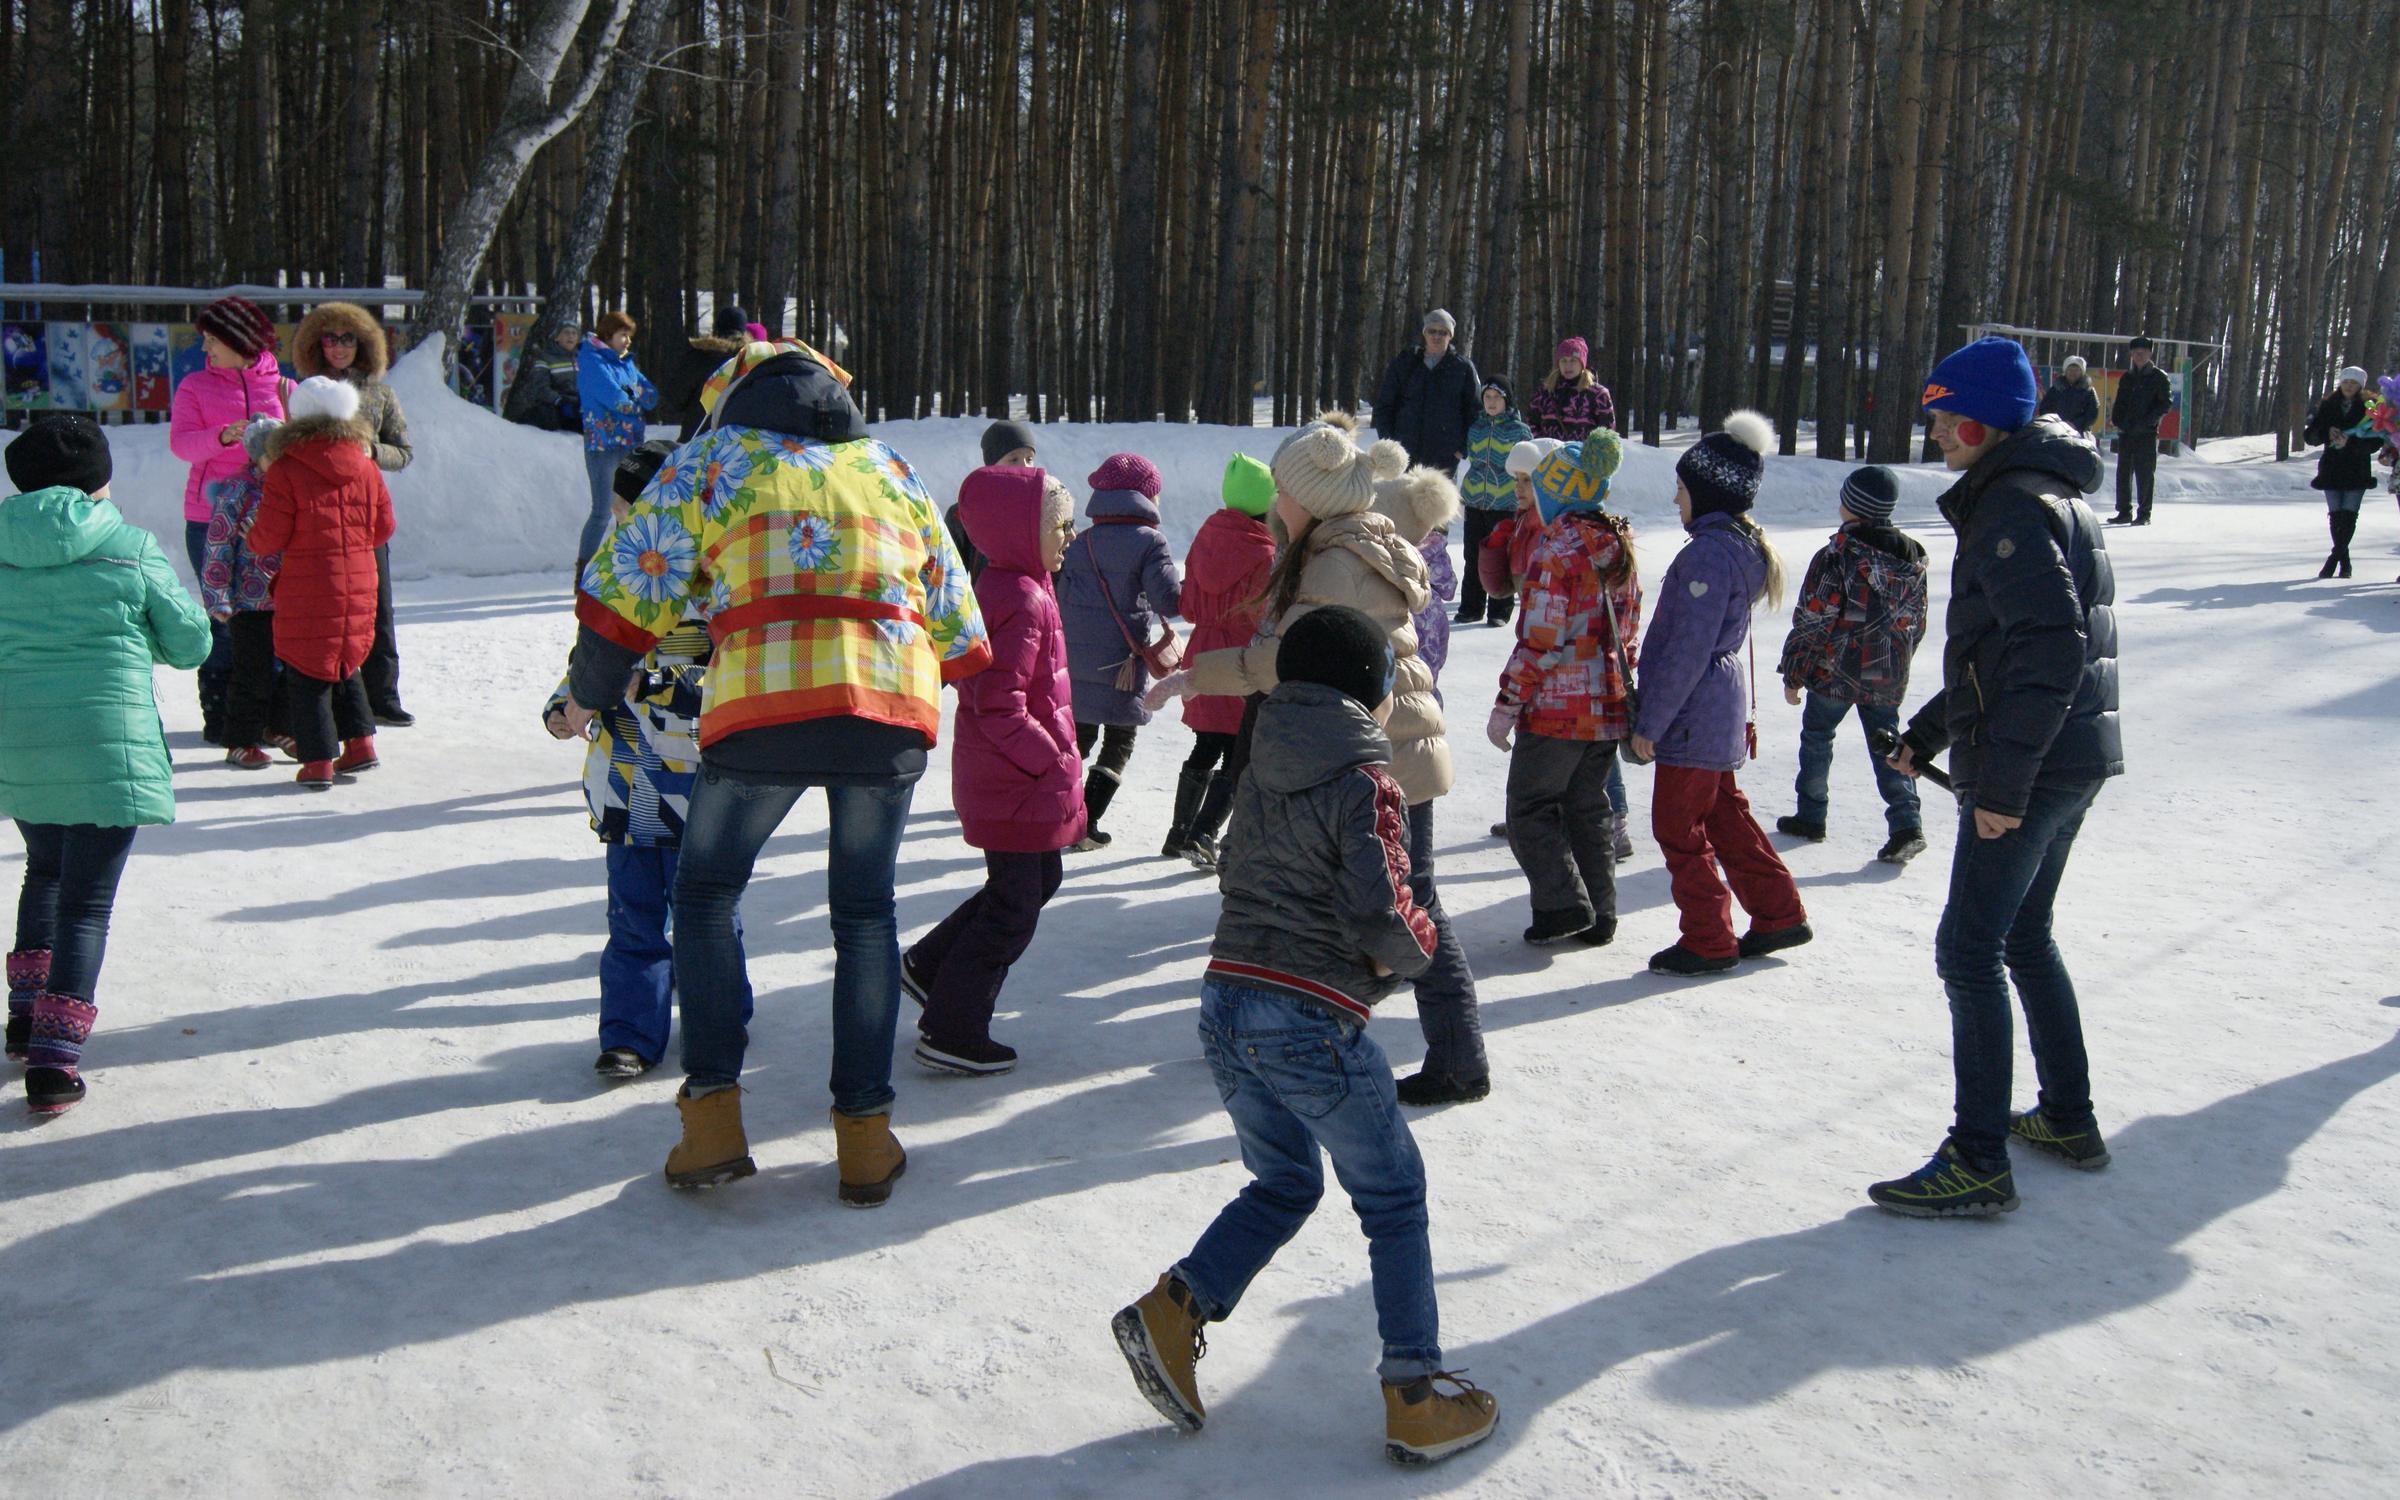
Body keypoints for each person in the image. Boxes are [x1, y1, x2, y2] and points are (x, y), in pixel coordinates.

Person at [562, 338, 988, 1204]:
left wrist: (590, 690)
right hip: (886, 706)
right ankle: (866, 1139)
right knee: (865, 916)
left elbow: (622, 588)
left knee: (707, 893)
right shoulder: (888, 466)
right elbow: (959, 623)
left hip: (766, 702)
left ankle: (713, 1119)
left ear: (737, 395)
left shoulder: (713, 460)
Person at [1111, 605, 1500, 1468]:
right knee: (1392, 1195)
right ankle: (1414, 1394)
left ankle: (1173, 1311)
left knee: (1286, 1182)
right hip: (1308, 1017)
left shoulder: (1261, 766)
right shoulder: (1367, 781)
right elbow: (1383, 908)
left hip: (1227, 999)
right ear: (1369, 694)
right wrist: (1420, 950)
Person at [1151, 413, 1486, 1108]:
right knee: (1358, 900)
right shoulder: (1331, 548)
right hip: (1372, 750)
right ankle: (1310, 1031)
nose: (1275, 499)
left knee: (1408, 901)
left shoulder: (1335, 563)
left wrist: (1197, 673)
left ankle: (1458, 1059)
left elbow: (1285, 659)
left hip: (1385, 754)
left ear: (1309, 497)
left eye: (1283, 488)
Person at [1869, 335, 2121, 1219]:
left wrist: (2004, 788)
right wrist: (1931, 734)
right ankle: (2067, 1116)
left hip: (2039, 765)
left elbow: (2053, 650)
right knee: (2024, 937)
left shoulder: (2013, 505)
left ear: (1983, 420)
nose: (1936, 433)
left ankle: (1977, 1158)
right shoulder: (2041, 490)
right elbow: (2002, 653)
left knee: (1969, 951)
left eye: (1945, 417)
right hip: (2071, 754)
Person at [1, 415, 212, 1113]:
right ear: (98, 480)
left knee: (46, 869)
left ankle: (25, 1017)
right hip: (104, 743)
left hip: (20, 741)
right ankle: (54, 1062)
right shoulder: (128, 547)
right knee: (85, 901)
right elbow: (188, 643)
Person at [543, 441, 751, 1079]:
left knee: (707, 914)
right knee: (632, 917)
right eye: (615, 513)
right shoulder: (613, 581)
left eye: (628, 509)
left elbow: (731, 675)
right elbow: (587, 663)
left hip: (697, 786)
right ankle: (630, 1034)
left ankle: (722, 1013)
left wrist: (657, 687)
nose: (619, 523)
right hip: (624, 786)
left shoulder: (711, 584)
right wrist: (563, 703)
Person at [900, 467, 1083, 1075]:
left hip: (1016, 778)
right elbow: (997, 703)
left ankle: (929, 966)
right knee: (1013, 905)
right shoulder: (1019, 597)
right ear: (1019, 533)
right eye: (1059, 526)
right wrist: (1049, 761)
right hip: (1013, 779)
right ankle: (953, 1027)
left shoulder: (1021, 584)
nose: (1070, 535)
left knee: (1037, 881)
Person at [1630, 409, 1810, 978]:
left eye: (1682, 490)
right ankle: (1778, 912)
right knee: (1724, 813)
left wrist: (1649, 723)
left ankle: (1708, 936)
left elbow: (1686, 650)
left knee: (1677, 825)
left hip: (1693, 710)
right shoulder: (1734, 544)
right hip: (1717, 705)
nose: (1676, 500)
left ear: (1707, 493)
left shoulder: (1707, 553)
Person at [1489, 430, 1639, 947]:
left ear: (1557, 494)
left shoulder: (1558, 549)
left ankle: (1561, 906)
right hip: (1606, 703)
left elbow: (1540, 638)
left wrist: (1507, 703)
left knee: (1529, 808)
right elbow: (1629, 628)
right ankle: (1602, 911)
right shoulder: (1617, 543)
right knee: (1587, 806)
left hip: (1557, 708)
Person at [1773, 464, 1931, 864]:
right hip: (1885, 670)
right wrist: (1898, 660)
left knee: (1817, 737)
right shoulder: (1911, 558)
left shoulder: (1837, 555)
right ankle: (1906, 824)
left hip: (1835, 671)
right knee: (1889, 744)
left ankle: (1812, 814)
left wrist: (1795, 671)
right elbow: (1917, 621)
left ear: (1853, 506)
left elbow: (1814, 618)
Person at [246, 377, 396, 791]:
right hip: (361, 579)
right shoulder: (365, 464)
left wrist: (251, 538)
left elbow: (271, 534)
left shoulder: (288, 467)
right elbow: (384, 527)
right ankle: (361, 743)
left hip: (308, 582)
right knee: (346, 661)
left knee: (307, 670)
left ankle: (316, 762)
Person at [167, 295, 286, 745]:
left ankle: (271, 715)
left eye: (213, 340)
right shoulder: (195, 387)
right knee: (222, 615)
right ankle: (219, 714)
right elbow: (182, 446)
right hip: (208, 517)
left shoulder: (283, 388)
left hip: (269, 517)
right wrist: (222, 435)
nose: (206, 350)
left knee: (268, 613)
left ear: (240, 341)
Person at [293, 302, 414, 727]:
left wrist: (373, 451)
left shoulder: (380, 395)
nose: (339, 347)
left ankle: (383, 695)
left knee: (377, 606)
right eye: (331, 338)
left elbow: (404, 452)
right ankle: (331, 700)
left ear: (363, 344)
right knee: (323, 610)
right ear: (316, 343)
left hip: (365, 514)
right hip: (314, 515)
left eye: (348, 338)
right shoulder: (305, 391)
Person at [1056, 452, 1182, 851]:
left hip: (1075, 658)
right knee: (1120, 740)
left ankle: (1057, 815)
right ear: (1145, 496)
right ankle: (1087, 824)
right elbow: (1169, 602)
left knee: (1078, 738)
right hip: (1121, 664)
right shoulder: (1150, 542)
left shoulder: (1080, 541)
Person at [1165, 453, 1278, 868]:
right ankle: (1204, 833)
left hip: (1203, 651)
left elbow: (1189, 606)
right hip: (1239, 659)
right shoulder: (1266, 552)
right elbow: (1264, 614)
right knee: (1237, 752)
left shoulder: (1204, 537)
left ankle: (1178, 833)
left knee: (1204, 743)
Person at [576, 311, 658, 571]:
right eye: (623, 335)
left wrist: (632, 393)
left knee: (629, 510)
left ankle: (627, 569)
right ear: (608, 334)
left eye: (629, 336)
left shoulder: (626, 363)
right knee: (602, 511)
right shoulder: (591, 359)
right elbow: (614, 399)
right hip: (602, 445)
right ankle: (585, 570)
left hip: (630, 443)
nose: (627, 341)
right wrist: (633, 395)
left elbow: (651, 395)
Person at [1371, 309, 1481, 476]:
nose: (1436, 336)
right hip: (1404, 455)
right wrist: (1390, 442)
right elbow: (1385, 406)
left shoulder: (1463, 368)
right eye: (1432, 331)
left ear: (1450, 336)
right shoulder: (1405, 363)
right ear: (1424, 333)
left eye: (1442, 332)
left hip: (1445, 458)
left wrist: (1462, 448)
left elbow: (1475, 411)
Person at [1456, 377, 1530, 625]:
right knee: (1473, 555)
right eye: (1487, 397)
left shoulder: (1518, 430)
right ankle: (1471, 607)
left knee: (1502, 556)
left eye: (1496, 397)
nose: (1491, 402)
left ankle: (1500, 609)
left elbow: (1526, 466)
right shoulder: (1476, 427)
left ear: (1506, 400)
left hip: (1505, 502)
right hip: (1476, 500)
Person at [2304, 365, 2377, 580]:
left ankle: (2333, 559)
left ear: (2360, 386)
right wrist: (2326, 433)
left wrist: (2352, 442)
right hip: (2332, 468)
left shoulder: (2368, 408)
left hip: (2357, 468)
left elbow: (2375, 442)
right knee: (2336, 515)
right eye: (2346, 382)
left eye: (2353, 383)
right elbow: (2310, 436)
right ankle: (2344, 561)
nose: (2349, 386)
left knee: (2349, 514)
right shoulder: (2328, 405)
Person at [947, 419, 1038, 583]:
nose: (1024, 466)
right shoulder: (965, 513)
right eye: (1013, 459)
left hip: (1037, 604)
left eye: (1029, 459)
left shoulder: (1046, 507)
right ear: (992, 465)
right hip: (984, 604)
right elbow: (950, 574)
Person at [657, 306, 754, 440]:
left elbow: (675, 399)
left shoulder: (698, 357)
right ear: (744, 329)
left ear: (717, 327)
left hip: (697, 438)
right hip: (737, 442)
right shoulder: (752, 360)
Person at [2107, 336, 2172, 525]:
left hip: (2147, 433)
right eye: (2136, 352)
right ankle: (2123, 511)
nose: (2139, 355)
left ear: (2150, 354)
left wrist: (2149, 422)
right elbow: (2119, 403)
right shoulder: (2127, 377)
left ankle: (2144, 514)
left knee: (2144, 474)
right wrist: (2118, 420)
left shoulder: (2159, 377)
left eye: (2143, 352)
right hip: (2126, 432)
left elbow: (2165, 403)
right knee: (2123, 472)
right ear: (2131, 354)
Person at [1522, 336, 1616, 443]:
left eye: (1573, 361)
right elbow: (1530, 425)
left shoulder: (1598, 395)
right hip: (1548, 456)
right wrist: (1543, 446)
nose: (1568, 366)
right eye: (1563, 361)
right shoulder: (1544, 393)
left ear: (1582, 364)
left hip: (1582, 457)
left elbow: (1607, 435)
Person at [504, 322, 584, 432]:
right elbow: (540, 388)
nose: (570, 336)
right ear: (557, 337)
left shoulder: (583, 358)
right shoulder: (545, 358)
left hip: (579, 406)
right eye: (566, 332)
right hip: (555, 407)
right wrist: (559, 400)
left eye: (574, 333)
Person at [2035, 354, 2099, 435]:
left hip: (2081, 432)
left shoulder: (2089, 391)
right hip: (2056, 431)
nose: (2073, 373)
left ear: (2082, 372)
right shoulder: (2055, 389)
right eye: (2070, 370)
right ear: (2065, 371)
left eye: (2076, 370)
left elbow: (2092, 413)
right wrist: (2057, 423)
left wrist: (2075, 424)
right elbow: (2044, 409)